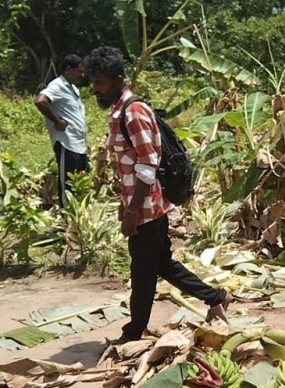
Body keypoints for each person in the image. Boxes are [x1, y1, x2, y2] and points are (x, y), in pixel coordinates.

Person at [84, 46, 230, 342]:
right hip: (145, 205)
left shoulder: (133, 113)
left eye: (100, 82)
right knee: (162, 264)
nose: (95, 88)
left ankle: (133, 332)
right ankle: (216, 296)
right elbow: (131, 166)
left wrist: (133, 211)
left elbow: (147, 164)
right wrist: (125, 204)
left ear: (118, 80)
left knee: (142, 273)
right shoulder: (121, 111)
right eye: (93, 82)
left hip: (147, 209)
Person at [35, 54, 88, 208]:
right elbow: (40, 101)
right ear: (68, 69)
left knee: (78, 182)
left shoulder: (73, 88)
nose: (82, 75)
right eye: (79, 71)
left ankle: (78, 214)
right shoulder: (58, 85)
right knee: (67, 184)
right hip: (66, 142)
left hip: (78, 144)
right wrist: (57, 121)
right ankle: (66, 215)